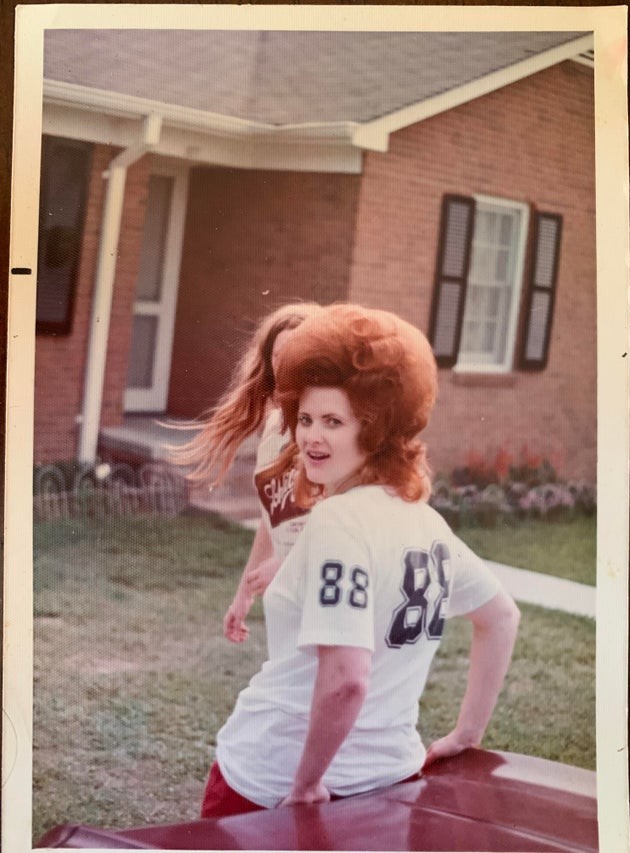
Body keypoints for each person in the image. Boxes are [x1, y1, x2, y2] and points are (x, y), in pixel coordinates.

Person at [201, 302, 520, 817]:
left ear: (375, 430)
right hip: (388, 780)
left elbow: (348, 678)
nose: (310, 437)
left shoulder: (338, 522)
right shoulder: (424, 521)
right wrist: (468, 731)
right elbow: (501, 617)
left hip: (274, 781)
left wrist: (307, 783)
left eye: (333, 421)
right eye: (304, 419)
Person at [173, 302, 320, 642]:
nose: (287, 366)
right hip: (289, 601)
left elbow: (344, 518)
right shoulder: (273, 430)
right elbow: (274, 518)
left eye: (299, 355)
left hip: (329, 593)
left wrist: (288, 563)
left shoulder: (325, 435)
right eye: (279, 356)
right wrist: (244, 593)